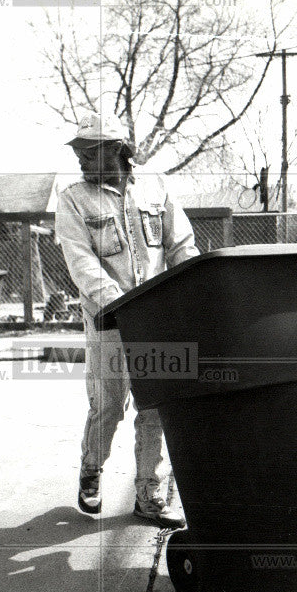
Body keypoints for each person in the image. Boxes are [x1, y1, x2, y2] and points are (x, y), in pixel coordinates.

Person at [55, 112, 199, 528]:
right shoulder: (74, 198)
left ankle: (149, 495)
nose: (81, 160)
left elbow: (181, 246)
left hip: (156, 319)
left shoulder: (156, 187)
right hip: (108, 321)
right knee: (109, 407)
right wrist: (119, 305)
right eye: (78, 152)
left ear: (118, 150)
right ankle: (90, 470)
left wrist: (187, 294)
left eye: (89, 151)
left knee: (155, 407)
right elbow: (81, 261)